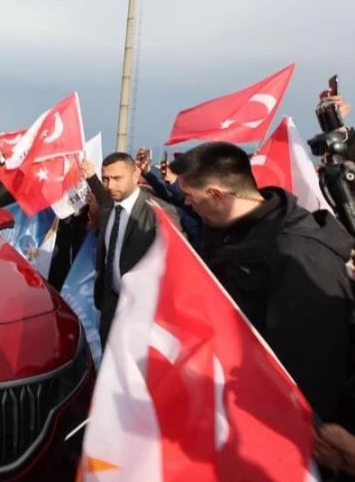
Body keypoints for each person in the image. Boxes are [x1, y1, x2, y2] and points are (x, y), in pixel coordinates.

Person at [172, 141, 355, 427]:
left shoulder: (298, 252)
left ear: (216, 195)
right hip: (227, 400)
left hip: (274, 423)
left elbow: (313, 370)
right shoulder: (222, 232)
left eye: (188, 195)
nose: (185, 202)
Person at [81, 153, 180, 343]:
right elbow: (102, 196)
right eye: (106, 179)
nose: (110, 185)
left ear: (135, 175)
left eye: (117, 178)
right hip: (110, 305)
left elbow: (177, 265)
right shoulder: (109, 207)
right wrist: (91, 176)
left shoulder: (160, 213)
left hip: (144, 311)